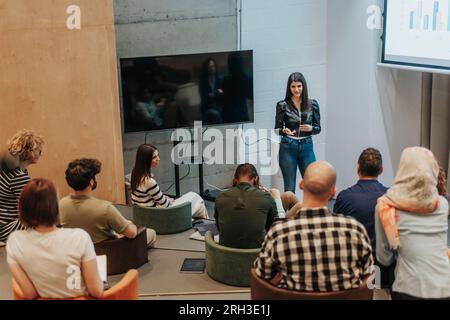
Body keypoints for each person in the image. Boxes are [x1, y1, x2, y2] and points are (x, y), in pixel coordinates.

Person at [255, 161, 373, 292]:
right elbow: (369, 274)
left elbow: (262, 274)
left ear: (301, 185)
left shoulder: (278, 232)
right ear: (334, 191)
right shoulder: (355, 230)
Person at [6, 178, 104, 299]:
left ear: (22, 208)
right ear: (56, 206)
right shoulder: (80, 237)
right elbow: (96, 291)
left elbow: (30, 294)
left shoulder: (14, 242)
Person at [375, 147, 450, 300]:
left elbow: (384, 258)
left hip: (408, 288)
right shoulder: (441, 204)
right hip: (444, 286)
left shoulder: (385, 206)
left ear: (402, 170)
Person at [59, 158, 156, 246]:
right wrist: (130, 223)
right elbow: (132, 233)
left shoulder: (61, 204)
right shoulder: (105, 209)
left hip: (78, 252)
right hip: (109, 254)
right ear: (91, 182)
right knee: (151, 232)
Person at [214, 163, 297, 249]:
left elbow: (219, 228)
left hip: (227, 255)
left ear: (235, 180)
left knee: (288, 195)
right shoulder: (264, 197)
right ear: (255, 179)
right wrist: (275, 198)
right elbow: (275, 230)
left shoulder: (220, 197)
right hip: (258, 255)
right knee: (296, 203)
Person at [130, 144, 208, 219]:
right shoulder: (149, 182)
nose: (158, 159)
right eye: (154, 157)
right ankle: (209, 227)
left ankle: (199, 224)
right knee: (197, 199)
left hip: (144, 214)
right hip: (158, 216)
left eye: (158, 155)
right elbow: (165, 205)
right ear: (146, 160)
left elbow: (153, 198)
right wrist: (170, 200)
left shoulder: (135, 174)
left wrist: (167, 199)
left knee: (196, 202)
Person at [275, 72, 321, 193]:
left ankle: (309, 211)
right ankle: (291, 212)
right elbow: (276, 129)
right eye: (293, 86)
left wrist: (311, 128)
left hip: (307, 147)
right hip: (288, 147)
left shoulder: (313, 104)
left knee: (311, 183)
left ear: (303, 86)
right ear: (289, 88)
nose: (296, 89)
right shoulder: (282, 105)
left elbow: (318, 128)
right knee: (289, 187)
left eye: (299, 86)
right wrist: (283, 131)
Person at [0, 130, 44, 243]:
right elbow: (28, 210)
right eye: (39, 150)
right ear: (30, 152)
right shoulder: (19, 177)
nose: (41, 154)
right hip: (5, 228)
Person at [199, 58, 224, 124]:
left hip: (219, 105)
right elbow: (205, 96)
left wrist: (213, 94)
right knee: (216, 115)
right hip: (208, 107)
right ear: (206, 69)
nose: (212, 68)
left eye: (213, 66)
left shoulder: (219, 80)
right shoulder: (203, 82)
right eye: (209, 67)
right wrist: (217, 93)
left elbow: (222, 94)